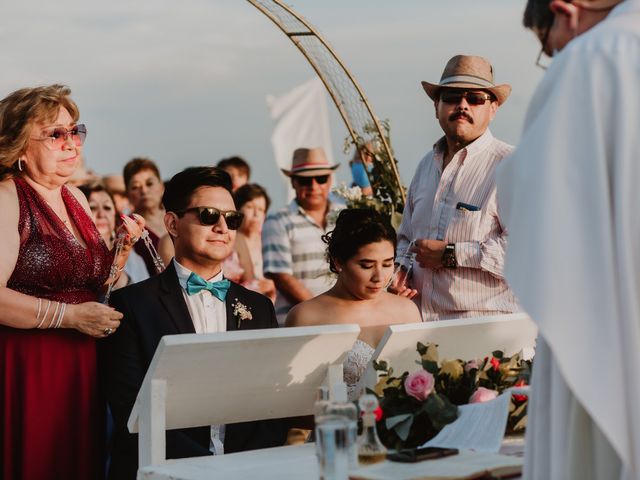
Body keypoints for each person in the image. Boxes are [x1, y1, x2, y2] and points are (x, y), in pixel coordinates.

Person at [497, 1, 639, 478]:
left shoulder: (595, 58)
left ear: (565, 11)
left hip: (615, 322)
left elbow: (532, 200)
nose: (555, 56)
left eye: (547, 47)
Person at [100, 166, 289, 480]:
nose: (221, 227)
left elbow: (272, 404)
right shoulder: (132, 306)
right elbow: (130, 410)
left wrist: (242, 467)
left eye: (231, 219)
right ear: (173, 223)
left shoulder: (259, 307)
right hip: (165, 470)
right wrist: (206, 469)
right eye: (208, 215)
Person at [0, 84, 143, 480]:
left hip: (85, 362)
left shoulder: (76, 198)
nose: (71, 143)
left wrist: (122, 251)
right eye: (55, 134)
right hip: (32, 363)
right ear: (19, 147)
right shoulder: (7, 196)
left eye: (74, 131)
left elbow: (92, 287)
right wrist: (70, 318)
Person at [394, 55, 520, 320]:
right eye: (452, 97)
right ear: (436, 106)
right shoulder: (426, 165)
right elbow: (405, 237)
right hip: (420, 324)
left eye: (475, 99)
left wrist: (451, 254)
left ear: (493, 108)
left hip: (485, 328)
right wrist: (400, 270)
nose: (462, 105)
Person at [286, 208, 421, 400]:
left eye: (387, 264)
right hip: (337, 426)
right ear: (338, 261)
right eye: (366, 265)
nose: (379, 277)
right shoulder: (306, 316)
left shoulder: (407, 310)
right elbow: (292, 403)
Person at [262, 147, 343, 324]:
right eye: (305, 180)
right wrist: (324, 314)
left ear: (329, 180)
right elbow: (282, 278)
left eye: (320, 179)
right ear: (293, 183)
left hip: (342, 319)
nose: (314, 186)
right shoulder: (277, 221)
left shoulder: (346, 214)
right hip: (296, 323)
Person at [80, 182, 149, 286]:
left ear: (115, 216)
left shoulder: (133, 258)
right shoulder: (74, 258)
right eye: (92, 208)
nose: (101, 214)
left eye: (107, 207)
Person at [232, 183, 276, 300]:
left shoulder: (269, 241)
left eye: (261, 210)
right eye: (250, 207)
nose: (256, 214)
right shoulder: (228, 241)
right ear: (237, 209)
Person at [123, 157, 166, 276]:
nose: (144, 190)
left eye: (150, 183)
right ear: (127, 194)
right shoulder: (127, 226)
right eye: (135, 187)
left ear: (161, 186)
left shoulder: (176, 217)